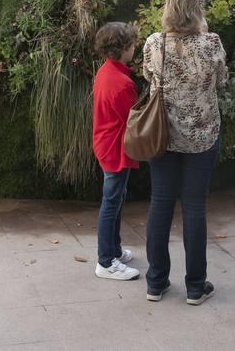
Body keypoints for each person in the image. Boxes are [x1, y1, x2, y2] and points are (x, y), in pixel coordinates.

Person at [143, 0, 227, 306]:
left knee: (160, 203)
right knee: (194, 206)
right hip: (202, 136)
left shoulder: (153, 42)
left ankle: (156, 282)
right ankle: (195, 286)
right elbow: (222, 80)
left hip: (161, 136)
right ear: (197, 7)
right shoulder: (211, 43)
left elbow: (150, 78)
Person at [92, 22, 140, 281]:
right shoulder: (122, 83)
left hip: (105, 143)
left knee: (115, 200)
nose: (135, 48)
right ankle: (105, 261)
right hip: (115, 148)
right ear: (123, 48)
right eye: (132, 45)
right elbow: (133, 119)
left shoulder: (106, 72)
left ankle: (114, 250)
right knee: (111, 203)